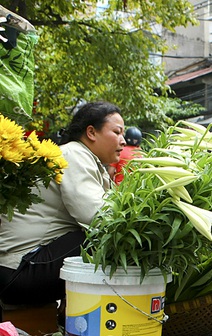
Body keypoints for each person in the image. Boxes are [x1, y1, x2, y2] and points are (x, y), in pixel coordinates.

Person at [0, 101, 126, 306]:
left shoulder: (88, 160)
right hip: (20, 270)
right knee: (108, 239)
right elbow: (98, 216)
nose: (123, 140)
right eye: (117, 132)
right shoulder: (74, 154)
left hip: (24, 268)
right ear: (92, 132)